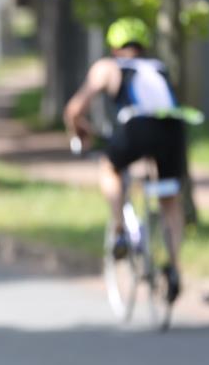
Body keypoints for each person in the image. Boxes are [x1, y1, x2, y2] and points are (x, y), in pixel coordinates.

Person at [63, 17, 188, 302]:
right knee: (169, 201)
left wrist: (80, 132)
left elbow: (74, 109)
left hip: (136, 126)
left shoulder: (108, 66)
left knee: (110, 167)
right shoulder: (159, 67)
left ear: (114, 47)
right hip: (172, 128)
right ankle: (174, 267)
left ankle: (119, 230)